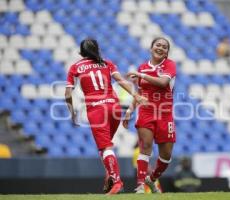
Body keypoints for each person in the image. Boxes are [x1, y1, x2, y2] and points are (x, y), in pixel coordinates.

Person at [65, 38, 147, 195]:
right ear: (97, 49)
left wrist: (73, 113)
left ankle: (117, 182)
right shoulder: (107, 63)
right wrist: (135, 95)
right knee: (106, 146)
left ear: (81, 52)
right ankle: (109, 177)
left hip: (96, 110)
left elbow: (68, 93)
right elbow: (122, 81)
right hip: (114, 107)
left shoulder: (76, 67)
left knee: (105, 147)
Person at [123, 37, 176, 193]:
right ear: (151, 48)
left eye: (164, 47)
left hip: (165, 114)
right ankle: (140, 185)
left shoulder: (169, 65)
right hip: (146, 111)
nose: (160, 48)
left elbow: (163, 83)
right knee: (145, 146)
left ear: (167, 52)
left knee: (166, 157)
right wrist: (129, 110)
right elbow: (140, 93)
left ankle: (151, 180)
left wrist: (141, 76)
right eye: (157, 45)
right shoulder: (142, 67)